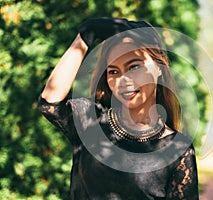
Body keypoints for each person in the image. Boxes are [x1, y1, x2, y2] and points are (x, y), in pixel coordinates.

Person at [38, 18, 199, 199]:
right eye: (113, 71)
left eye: (134, 66)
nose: (123, 81)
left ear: (159, 66)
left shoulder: (178, 149)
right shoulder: (90, 120)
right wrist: (84, 37)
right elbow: (49, 102)